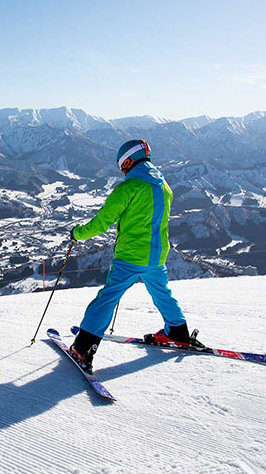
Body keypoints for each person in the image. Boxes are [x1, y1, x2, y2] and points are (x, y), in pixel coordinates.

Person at [67, 139, 192, 373]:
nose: (123, 170)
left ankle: (83, 348)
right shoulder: (164, 186)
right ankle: (178, 332)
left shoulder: (129, 188)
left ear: (128, 161)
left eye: (122, 165)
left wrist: (77, 233)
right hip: (157, 256)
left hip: (130, 256)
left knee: (107, 298)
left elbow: (102, 222)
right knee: (162, 292)